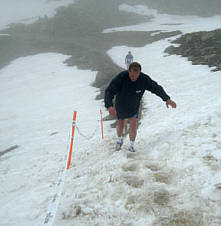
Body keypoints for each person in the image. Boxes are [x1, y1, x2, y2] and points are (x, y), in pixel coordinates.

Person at [104, 62, 176, 152]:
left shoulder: (143, 79)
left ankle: (131, 146)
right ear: (129, 71)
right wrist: (109, 106)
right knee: (121, 124)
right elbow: (109, 91)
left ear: (139, 73)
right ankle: (119, 140)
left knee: (133, 126)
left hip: (134, 106)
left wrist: (167, 99)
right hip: (121, 105)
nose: (134, 78)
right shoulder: (121, 77)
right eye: (132, 75)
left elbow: (156, 88)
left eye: (137, 75)